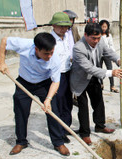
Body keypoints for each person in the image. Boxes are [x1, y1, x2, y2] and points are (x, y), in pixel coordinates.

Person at [0, 32, 70, 156]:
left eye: (51, 52)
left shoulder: (55, 59)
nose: (49, 56)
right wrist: (1, 62)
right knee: (21, 111)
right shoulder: (25, 45)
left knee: (53, 111)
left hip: (44, 84)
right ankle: (21, 141)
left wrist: (48, 99)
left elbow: (55, 82)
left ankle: (58, 142)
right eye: (46, 53)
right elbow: (4, 40)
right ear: (36, 49)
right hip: (24, 82)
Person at [70, 23, 122, 145]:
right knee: (83, 107)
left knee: (98, 102)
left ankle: (100, 125)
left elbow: (108, 52)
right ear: (85, 35)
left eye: (98, 38)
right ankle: (85, 133)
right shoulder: (78, 48)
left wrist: (118, 59)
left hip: (95, 77)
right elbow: (89, 68)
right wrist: (111, 72)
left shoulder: (100, 42)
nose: (96, 41)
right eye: (93, 38)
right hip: (80, 80)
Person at [50, 12, 73, 144]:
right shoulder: (50, 40)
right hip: (56, 76)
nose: (63, 29)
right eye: (61, 26)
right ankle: (59, 132)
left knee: (67, 103)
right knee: (57, 104)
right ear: (53, 25)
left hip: (67, 72)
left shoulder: (66, 38)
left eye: (66, 27)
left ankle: (65, 128)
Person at [63, 10, 81, 107]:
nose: (71, 22)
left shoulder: (74, 29)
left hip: (74, 58)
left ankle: (75, 97)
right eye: (70, 19)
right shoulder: (61, 30)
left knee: (75, 79)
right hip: (65, 60)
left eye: (72, 20)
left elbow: (78, 39)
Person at [99, 19, 119, 93]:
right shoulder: (98, 35)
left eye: (105, 27)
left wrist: (113, 57)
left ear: (107, 27)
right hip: (99, 55)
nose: (104, 28)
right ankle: (101, 84)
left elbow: (111, 46)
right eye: (102, 26)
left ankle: (112, 86)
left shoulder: (109, 36)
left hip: (107, 55)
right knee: (99, 70)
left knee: (110, 69)